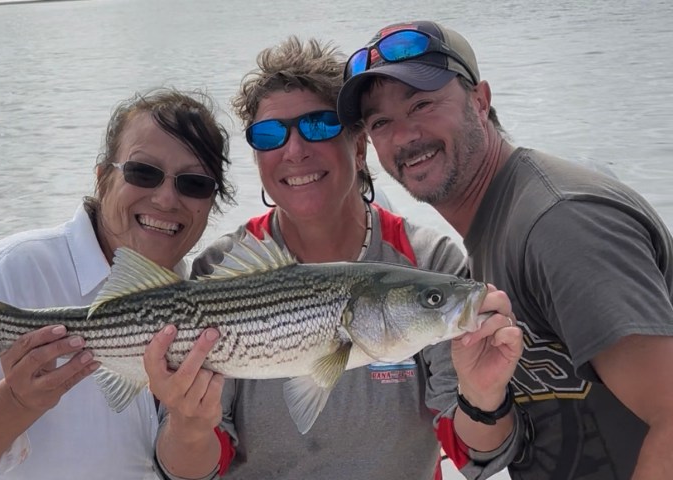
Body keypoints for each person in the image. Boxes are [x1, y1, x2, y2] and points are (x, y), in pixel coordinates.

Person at [145, 36, 524, 480]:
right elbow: (195, 470)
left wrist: (483, 396)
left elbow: (475, 457)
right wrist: (188, 425)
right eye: (269, 135)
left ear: (359, 146)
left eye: (319, 126)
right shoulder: (221, 271)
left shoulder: (428, 264)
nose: (294, 150)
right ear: (258, 159)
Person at [337, 20, 673, 480]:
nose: (405, 135)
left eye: (423, 104)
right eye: (381, 122)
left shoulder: (558, 225)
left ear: (480, 100)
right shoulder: (495, 227)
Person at [0, 87, 235, 479]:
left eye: (194, 183)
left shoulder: (219, 306)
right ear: (102, 178)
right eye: (143, 173)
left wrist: (191, 428)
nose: (167, 198)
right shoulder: (12, 271)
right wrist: (15, 401)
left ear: (213, 202)